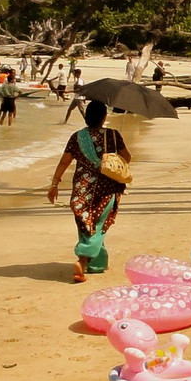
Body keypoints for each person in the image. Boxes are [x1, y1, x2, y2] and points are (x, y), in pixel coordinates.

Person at [48, 99, 131, 282]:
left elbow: (64, 162)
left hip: (81, 189)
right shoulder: (113, 135)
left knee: (86, 225)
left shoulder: (77, 137)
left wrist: (54, 185)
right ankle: (83, 261)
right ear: (104, 116)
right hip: (107, 188)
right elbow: (127, 157)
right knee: (99, 226)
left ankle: (97, 264)